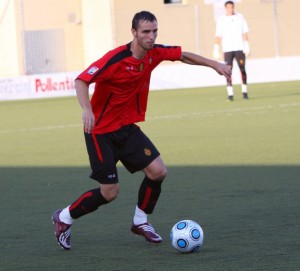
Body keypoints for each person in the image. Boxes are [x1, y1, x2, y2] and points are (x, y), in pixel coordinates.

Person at [52, 10, 231, 250]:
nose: (151, 36)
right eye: (146, 32)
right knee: (110, 192)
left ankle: (140, 221)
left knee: (158, 171)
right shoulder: (115, 59)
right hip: (100, 131)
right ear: (134, 33)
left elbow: (182, 55)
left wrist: (214, 64)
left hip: (126, 128)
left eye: (154, 31)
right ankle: (63, 218)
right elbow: (82, 80)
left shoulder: (153, 53)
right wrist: (87, 109)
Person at [213, 0, 250, 101]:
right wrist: (216, 48)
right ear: (225, 8)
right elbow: (218, 35)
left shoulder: (240, 17)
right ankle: (230, 93)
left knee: (242, 69)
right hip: (227, 49)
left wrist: (246, 45)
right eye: (228, 7)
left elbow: (245, 32)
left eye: (232, 7)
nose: (230, 9)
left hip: (239, 48)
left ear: (234, 7)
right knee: (228, 71)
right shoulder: (221, 20)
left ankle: (244, 91)